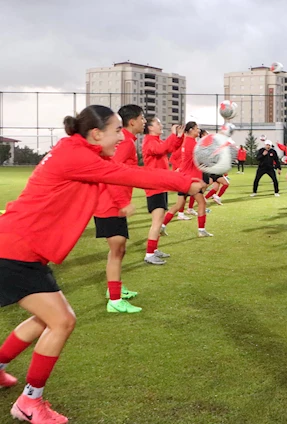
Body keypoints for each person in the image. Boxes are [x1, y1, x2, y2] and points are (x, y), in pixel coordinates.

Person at [0, 105, 201, 423]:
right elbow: (129, 174)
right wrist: (185, 182)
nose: (122, 135)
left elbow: (119, 172)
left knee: (45, 319)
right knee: (62, 321)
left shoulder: (78, 149)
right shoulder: (77, 156)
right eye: (117, 129)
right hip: (14, 250)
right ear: (96, 133)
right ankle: (30, 401)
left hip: (20, 247)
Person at [92, 104, 146, 313]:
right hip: (110, 204)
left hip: (111, 203)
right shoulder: (124, 142)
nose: (144, 122)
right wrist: (122, 203)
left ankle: (114, 289)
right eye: (142, 118)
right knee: (117, 250)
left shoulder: (126, 140)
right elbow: (110, 173)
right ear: (132, 121)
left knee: (119, 250)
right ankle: (114, 301)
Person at [142, 118, 184, 266]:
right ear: (150, 128)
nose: (161, 125)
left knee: (159, 222)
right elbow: (162, 149)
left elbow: (170, 147)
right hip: (154, 186)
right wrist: (173, 135)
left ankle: (154, 250)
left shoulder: (157, 140)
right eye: (158, 123)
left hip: (161, 184)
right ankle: (149, 254)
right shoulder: (149, 141)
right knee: (157, 221)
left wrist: (178, 137)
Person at [162, 122, 213, 237]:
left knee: (178, 204)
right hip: (192, 180)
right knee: (202, 203)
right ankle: (201, 230)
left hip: (184, 177)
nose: (198, 131)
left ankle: (162, 225)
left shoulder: (185, 143)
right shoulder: (193, 144)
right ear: (190, 130)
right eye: (196, 129)